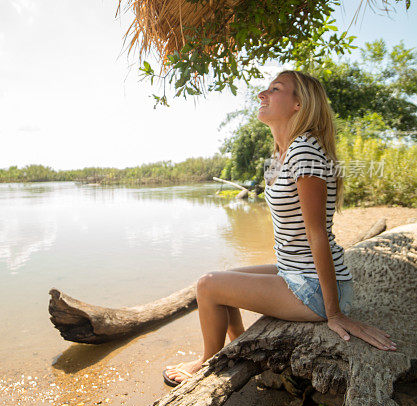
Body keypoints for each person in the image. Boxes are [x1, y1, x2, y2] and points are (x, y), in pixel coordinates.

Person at [163, 69, 396, 387]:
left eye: (275, 89)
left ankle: (207, 361)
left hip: (314, 287)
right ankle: (241, 351)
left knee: (207, 286)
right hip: (296, 273)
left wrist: (335, 313)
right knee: (227, 281)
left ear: (299, 104)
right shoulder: (280, 156)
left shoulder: (304, 151)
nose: (262, 94)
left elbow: (318, 234)